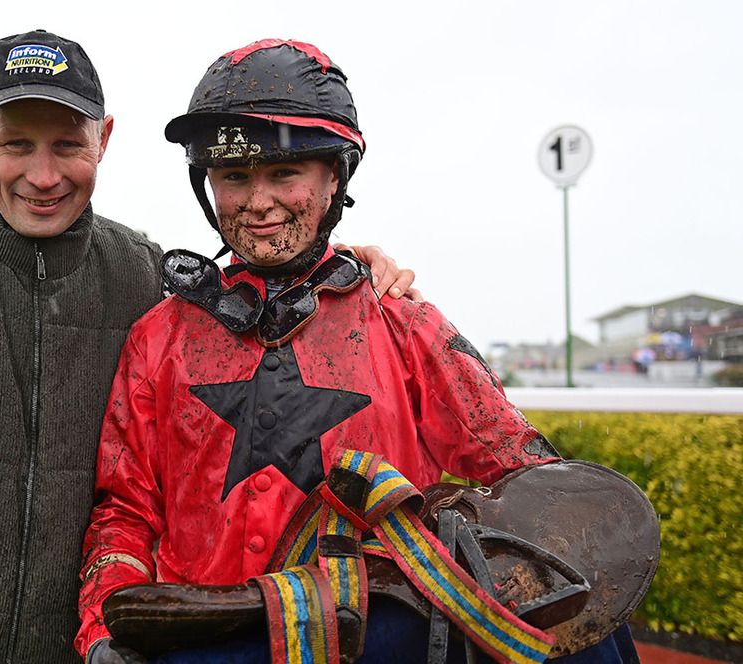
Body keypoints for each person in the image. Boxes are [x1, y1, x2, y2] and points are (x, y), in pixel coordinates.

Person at [0, 30, 415, 663]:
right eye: (17, 143)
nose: (43, 176)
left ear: (104, 139)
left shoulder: (148, 275)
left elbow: (268, 280)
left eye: (69, 145)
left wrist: (340, 269)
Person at [76, 39, 637, 663]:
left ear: (335, 177)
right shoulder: (157, 338)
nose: (258, 201)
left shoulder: (407, 323)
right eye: (235, 176)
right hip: (209, 646)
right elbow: (125, 512)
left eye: (284, 173)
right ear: (207, 183)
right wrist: (106, 633)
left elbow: (528, 481)